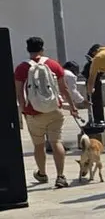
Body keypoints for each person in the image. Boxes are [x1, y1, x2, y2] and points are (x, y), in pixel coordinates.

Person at [15, 36, 81, 188]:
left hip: (33, 112)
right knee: (56, 141)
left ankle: (43, 174)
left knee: (38, 145)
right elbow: (64, 89)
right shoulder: (53, 64)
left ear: (27, 49)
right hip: (54, 109)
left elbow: (19, 93)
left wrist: (23, 109)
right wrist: (72, 107)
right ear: (42, 48)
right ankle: (60, 176)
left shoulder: (21, 68)